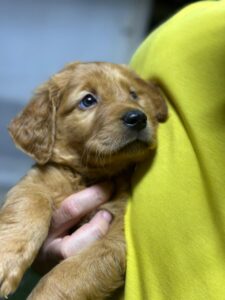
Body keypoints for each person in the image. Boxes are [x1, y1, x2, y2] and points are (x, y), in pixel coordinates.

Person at [35, 1, 225, 299]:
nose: (134, 112)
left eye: (135, 96)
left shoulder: (175, 31)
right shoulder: (175, 35)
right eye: (88, 100)